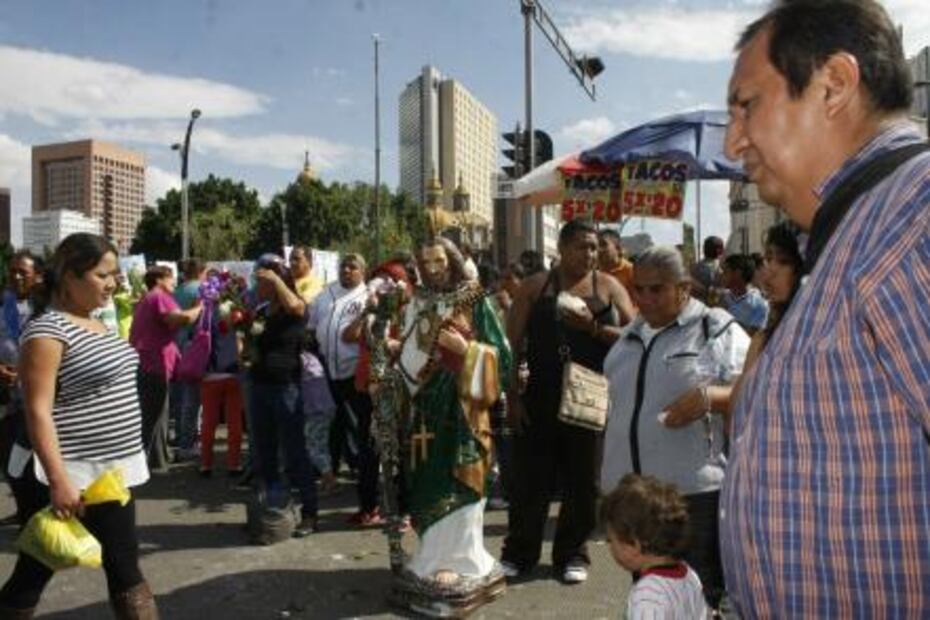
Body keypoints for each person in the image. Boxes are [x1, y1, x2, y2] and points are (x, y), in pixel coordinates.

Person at [720, 1, 930, 616]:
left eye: (746, 105)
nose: (735, 141)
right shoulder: (856, 232)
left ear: (833, 85)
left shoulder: (909, 221)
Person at [0, 233, 157, 618]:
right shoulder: (46, 332)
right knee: (40, 569)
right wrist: (59, 480)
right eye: (103, 275)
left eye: (115, 274)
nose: (114, 282)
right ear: (70, 276)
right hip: (72, 473)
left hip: (109, 472)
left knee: (120, 564)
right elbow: (37, 410)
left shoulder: (95, 322)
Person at [600, 246, 749, 611]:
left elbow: (760, 388)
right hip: (635, 500)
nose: (646, 299)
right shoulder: (627, 337)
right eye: (640, 289)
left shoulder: (714, 328)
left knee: (699, 601)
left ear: (684, 288)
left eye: (657, 289)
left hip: (690, 499)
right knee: (652, 599)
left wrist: (711, 398)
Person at [370, 236, 511, 615]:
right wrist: (393, 367)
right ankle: (431, 557)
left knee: (460, 480)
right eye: (425, 263)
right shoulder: (417, 302)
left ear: (452, 261)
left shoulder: (475, 300)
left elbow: (506, 361)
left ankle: (464, 561)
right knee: (424, 481)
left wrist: (468, 353)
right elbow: (412, 352)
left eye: (438, 262)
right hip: (423, 410)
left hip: (463, 411)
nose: (432, 270)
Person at [502, 219, 635, 585]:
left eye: (594, 247)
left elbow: (636, 334)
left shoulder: (608, 287)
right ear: (560, 249)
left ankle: (572, 554)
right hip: (540, 396)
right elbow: (510, 346)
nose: (589, 254)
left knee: (583, 482)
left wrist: (592, 328)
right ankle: (519, 553)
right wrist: (513, 397)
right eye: (581, 246)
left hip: (590, 398)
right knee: (531, 481)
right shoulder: (534, 287)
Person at [248, 254, 317, 536]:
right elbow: (254, 345)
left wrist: (277, 279)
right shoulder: (263, 312)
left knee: (295, 453)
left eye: (263, 281)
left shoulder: (295, 307)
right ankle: (273, 513)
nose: (258, 286)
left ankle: (311, 514)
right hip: (260, 386)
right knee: (264, 454)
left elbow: (296, 306)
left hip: (286, 387)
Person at [308, 254, 378, 524]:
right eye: (344, 267)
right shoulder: (326, 294)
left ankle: (367, 495)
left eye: (353, 267)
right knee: (332, 428)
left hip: (355, 375)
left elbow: (358, 335)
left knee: (362, 435)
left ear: (363, 271)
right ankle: (331, 477)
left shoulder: (368, 297)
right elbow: (312, 326)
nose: (347, 271)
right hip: (329, 372)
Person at [602, 474, 708, 620]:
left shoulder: (648, 595)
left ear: (634, 546)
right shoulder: (689, 574)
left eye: (611, 540)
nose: (610, 547)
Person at [130, 266, 201, 471]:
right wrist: (199, 307)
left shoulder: (149, 297)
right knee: (156, 414)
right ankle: (152, 461)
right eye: (171, 278)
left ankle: (156, 458)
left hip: (149, 362)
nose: (175, 282)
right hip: (153, 363)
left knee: (157, 413)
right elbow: (181, 318)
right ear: (160, 280)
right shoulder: (159, 296)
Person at [0, 250, 37, 526]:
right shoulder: (4, 302)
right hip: (7, 397)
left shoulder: (46, 307)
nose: (15, 276)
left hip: (37, 397)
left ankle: (36, 515)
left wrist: (22, 373)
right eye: (12, 270)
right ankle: (24, 511)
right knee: (9, 460)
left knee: (32, 461)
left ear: (36, 275)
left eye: (22, 271)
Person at [198, 294, 243, 477]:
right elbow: (241, 342)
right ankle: (234, 464)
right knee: (235, 422)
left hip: (211, 374)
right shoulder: (238, 314)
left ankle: (205, 464)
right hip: (233, 372)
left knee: (209, 422)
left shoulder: (205, 314)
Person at [171, 259, 206, 460]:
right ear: (201, 272)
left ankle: (182, 438)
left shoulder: (177, 290)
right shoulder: (202, 290)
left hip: (177, 345)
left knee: (182, 396)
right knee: (193, 399)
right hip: (196, 347)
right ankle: (188, 442)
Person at [719, 254, 768, 335]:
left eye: (725, 271)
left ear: (738, 273)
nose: (721, 275)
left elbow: (751, 336)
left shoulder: (760, 304)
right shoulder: (723, 297)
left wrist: (725, 317)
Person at [597, 229, 634, 294]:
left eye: (603, 244)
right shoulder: (592, 274)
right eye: (595, 245)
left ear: (618, 248)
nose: (599, 249)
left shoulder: (632, 271)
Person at [689, 236, 724, 304]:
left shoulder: (695, 267)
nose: (723, 249)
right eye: (722, 247)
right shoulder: (719, 268)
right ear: (718, 250)